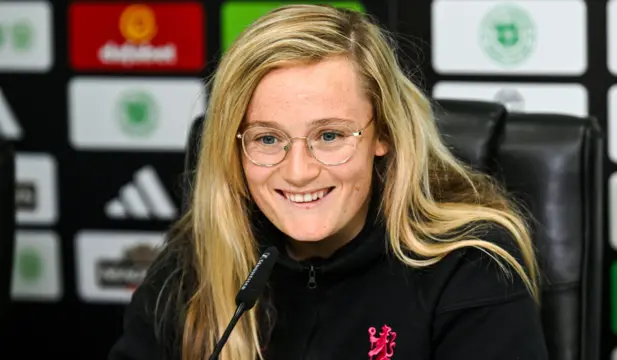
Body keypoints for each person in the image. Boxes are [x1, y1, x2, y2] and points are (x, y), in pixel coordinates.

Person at [108, 4, 548, 360]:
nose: (298, 171)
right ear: (234, 147)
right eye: (267, 138)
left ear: (384, 135)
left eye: (330, 135)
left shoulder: (469, 265)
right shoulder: (195, 265)